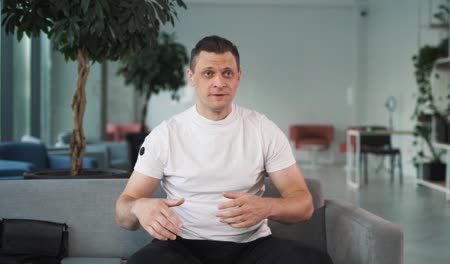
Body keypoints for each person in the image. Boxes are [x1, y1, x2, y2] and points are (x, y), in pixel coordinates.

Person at [115, 35, 333, 264]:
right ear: (192, 77)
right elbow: (123, 211)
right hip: (180, 246)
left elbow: (304, 204)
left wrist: (268, 206)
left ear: (238, 77)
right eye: (208, 73)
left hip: (252, 247)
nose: (219, 82)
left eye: (227, 73)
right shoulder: (164, 135)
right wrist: (138, 207)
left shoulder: (263, 129)